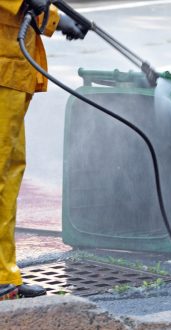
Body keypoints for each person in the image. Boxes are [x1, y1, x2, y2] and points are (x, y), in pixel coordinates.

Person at [0, 0, 85, 300]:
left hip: (11, 67)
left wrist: (55, 19)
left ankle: (3, 276)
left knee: (9, 174)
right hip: (4, 66)